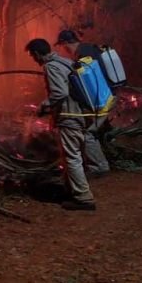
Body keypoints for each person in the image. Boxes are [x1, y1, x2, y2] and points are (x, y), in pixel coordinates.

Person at [26, 38, 97, 211]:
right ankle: (71, 191)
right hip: (80, 114)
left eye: (32, 56)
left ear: (36, 54)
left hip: (69, 118)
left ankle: (83, 198)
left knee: (72, 158)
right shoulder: (66, 62)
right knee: (70, 156)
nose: (33, 60)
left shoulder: (51, 67)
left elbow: (60, 92)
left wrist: (43, 106)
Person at [54, 29, 111, 178]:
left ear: (65, 43)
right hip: (107, 96)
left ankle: (99, 166)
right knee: (95, 128)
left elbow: (87, 82)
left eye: (62, 45)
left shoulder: (82, 55)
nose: (63, 49)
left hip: (102, 99)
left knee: (88, 134)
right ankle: (102, 158)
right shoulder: (90, 48)